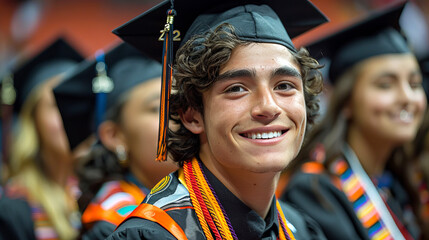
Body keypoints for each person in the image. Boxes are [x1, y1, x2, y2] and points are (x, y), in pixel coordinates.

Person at [107, 0, 329, 239]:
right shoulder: (155, 234)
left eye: (285, 86)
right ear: (191, 115)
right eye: (236, 88)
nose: (268, 106)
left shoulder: (299, 228)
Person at [280, 2, 427, 239]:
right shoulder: (315, 191)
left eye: (414, 84)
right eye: (385, 85)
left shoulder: (400, 182)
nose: (407, 98)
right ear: (346, 101)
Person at [53, 42, 178, 239]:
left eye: (182, 104)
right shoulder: (115, 228)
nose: (179, 117)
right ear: (114, 135)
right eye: (157, 108)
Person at [3, 37, 84, 240]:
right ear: (34, 122)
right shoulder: (14, 204)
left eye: (77, 104)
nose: (70, 116)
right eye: (57, 106)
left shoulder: (103, 192)